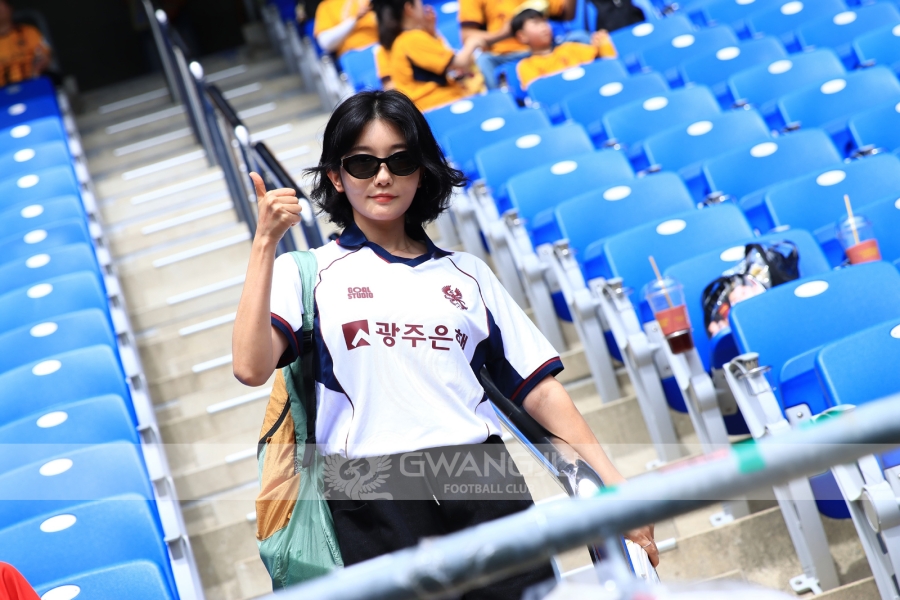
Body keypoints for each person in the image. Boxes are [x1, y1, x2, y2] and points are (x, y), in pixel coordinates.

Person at [232, 90, 658, 596]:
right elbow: (250, 367)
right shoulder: (306, 273)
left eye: (400, 161)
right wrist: (264, 244)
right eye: (363, 163)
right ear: (336, 177)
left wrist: (613, 489)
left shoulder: (468, 274)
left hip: (482, 482)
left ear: (422, 171)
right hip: (369, 499)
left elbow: (541, 393)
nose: (383, 177)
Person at [374, 0, 484, 112]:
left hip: (433, 105)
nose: (424, 7)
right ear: (409, 8)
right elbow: (460, 63)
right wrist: (473, 42)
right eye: (420, 4)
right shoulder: (413, 38)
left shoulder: (402, 40)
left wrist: (432, 33)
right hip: (439, 105)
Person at [458, 0, 583, 89]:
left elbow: (566, 14)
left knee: (579, 37)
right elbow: (466, 37)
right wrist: (502, 34)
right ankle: (503, 103)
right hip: (505, 55)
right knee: (484, 60)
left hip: (546, 45)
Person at [511, 8, 617, 90]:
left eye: (544, 22)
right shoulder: (526, 65)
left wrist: (602, 43)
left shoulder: (570, 48)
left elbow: (605, 62)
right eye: (536, 23)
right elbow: (539, 91)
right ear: (522, 36)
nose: (544, 27)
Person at [0, 0, 51, 88]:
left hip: (33, 84)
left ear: (10, 8)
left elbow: (44, 56)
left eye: (1, 6)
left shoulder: (30, 32)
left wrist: (37, 68)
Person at [315, 0, 379, 57]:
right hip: (353, 54)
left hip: (379, 45)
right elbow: (326, 43)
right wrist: (354, 19)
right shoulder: (326, 6)